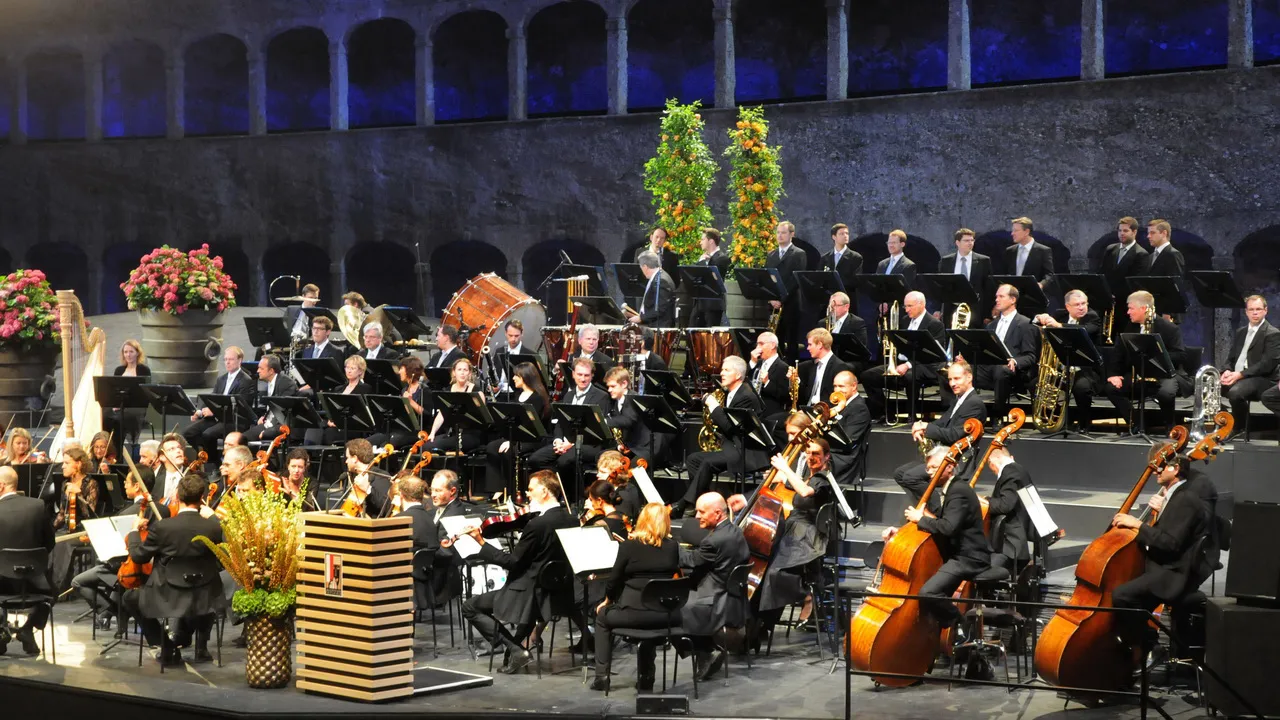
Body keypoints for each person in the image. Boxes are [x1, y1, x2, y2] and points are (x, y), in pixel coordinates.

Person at [455, 470, 578, 674]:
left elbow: (512, 562)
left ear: (545, 491)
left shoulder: (537, 525)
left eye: (531, 489)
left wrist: (480, 541)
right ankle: (515, 654)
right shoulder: (571, 519)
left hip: (526, 592)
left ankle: (515, 649)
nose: (528, 494)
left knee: (470, 607)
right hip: (554, 590)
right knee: (525, 615)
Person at [884, 447, 990, 645]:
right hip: (955, 555)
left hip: (969, 558)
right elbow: (940, 523)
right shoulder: (950, 489)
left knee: (928, 593)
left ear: (950, 467)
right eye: (928, 468)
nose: (929, 472)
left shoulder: (959, 490)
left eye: (934, 467)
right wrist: (900, 532)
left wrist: (920, 519)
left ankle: (961, 625)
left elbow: (948, 528)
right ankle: (934, 640)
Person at [122, 472, 227, 665]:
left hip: (169, 595)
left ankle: (167, 646)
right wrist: (213, 518)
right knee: (197, 600)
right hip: (205, 595)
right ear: (201, 498)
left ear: (177, 496)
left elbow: (138, 556)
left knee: (129, 597)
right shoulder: (213, 528)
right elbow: (229, 539)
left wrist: (134, 531)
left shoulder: (163, 527)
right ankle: (190, 642)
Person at [1110, 453, 1210, 655]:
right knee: (1129, 598)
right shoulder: (1174, 497)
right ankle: (1140, 647)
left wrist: (1137, 524)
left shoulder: (1185, 500)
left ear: (1175, 469)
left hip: (1172, 574)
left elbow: (1170, 543)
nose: (1157, 470)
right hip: (1160, 567)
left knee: (1122, 596)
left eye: (1163, 467)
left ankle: (1150, 643)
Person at [590, 503, 680, 692]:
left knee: (602, 617)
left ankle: (602, 677)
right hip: (665, 615)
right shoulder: (673, 547)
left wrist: (608, 601)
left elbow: (614, 580)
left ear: (642, 520)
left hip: (634, 614)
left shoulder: (629, 546)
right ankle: (647, 677)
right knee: (647, 625)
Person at [754, 438, 837, 637]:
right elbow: (797, 487)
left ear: (827, 456)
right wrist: (781, 477)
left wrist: (786, 468)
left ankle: (805, 595)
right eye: (809, 453)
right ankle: (759, 625)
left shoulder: (823, 479)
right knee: (764, 569)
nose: (811, 457)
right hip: (793, 530)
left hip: (808, 536)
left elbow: (805, 492)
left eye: (817, 453)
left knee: (775, 572)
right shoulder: (811, 476)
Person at [71, 469, 171, 633]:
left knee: (78, 581)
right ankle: (117, 610)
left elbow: (116, 547)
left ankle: (112, 610)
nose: (124, 484)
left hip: (128, 568)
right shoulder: (164, 510)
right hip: (153, 569)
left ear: (137, 486)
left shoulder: (127, 513)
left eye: (127, 482)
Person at [673, 356, 765, 518]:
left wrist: (713, 404)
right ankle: (703, 502)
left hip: (745, 451)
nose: (721, 373)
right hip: (731, 446)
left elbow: (729, 427)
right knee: (693, 459)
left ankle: (686, 503)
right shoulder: (731, 392)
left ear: (737, 375)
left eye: (726, 370)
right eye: (722, 369)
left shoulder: (746, 396)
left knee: (708, 462)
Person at [680, 492, 751, 681]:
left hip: (717, 598)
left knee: (672, 610)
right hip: (734, 596)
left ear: (718, 513)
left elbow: (691, 561)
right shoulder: (735, 531)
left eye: (701, 512)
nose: (696, 517)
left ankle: (704, 652)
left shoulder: (713, 541)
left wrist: (668, 546)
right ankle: (705, 650)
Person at [897, 360, 986, 506]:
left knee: (910, 477)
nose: (952, 383)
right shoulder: (959, 400)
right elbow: (943, 423)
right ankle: (924, 507)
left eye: (957, 378)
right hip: (944, 455)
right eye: (950, 379)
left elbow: (954, 435)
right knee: (900, 473)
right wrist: (920, 426)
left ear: (969, 377)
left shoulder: (974, 403)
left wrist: (927, 427)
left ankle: (936, 509)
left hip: (955, 460)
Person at [948, 283, 1039, 425]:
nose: (996, 300)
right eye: (996, 296)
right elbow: (983, 351)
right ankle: (954, 415)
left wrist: (1015, 361)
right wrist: (966, 359)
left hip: (1013, 372)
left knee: (1001, 370)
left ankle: (997, 416)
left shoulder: (1025, 324)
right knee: (954, 370)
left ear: (1013, 300)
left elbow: (1030, 356)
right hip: (989, 369)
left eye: (1001, 296)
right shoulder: (991, 325)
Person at [1103, 290, 1192, 431]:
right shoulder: (1130, 326)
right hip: (1139, 374)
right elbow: (1119, 353)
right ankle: (1137, 423)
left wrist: (1157, 355)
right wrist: (1113, 374)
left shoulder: (1169, 328)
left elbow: (1181, 356)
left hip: (1165, 374)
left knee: (1166, 393)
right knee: (1111, 388)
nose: (1128, 312)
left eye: (1131, 308)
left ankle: (1171, 426)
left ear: (1143, 308)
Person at [526, 358, 610, 498]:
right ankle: (554, 493)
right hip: (565, 443)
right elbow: (560, 422)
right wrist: (558, 441)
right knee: (536, 459)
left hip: (588, 444)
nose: (583, 379)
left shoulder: (602, 397)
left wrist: (571, 444)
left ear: (592, 376)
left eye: (586, 375)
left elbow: (595, 429)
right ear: (573, 374)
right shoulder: (569, 394)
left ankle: (572, 498)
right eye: (580, 374)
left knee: (564, 461)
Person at [860, 291, 946, 423]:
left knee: (910, 376)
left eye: (910, 306)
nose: (906, 310)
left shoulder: (934, 324)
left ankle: (912, 415)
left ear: (921, 304)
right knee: (867, 376)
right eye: (905, 306)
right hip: (902, 363)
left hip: (925, 366)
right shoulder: (905, 320)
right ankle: (886, 412)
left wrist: (907, 365)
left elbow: (932, 354)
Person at [0, 466, 55, 656]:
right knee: (50, 596)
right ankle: (27, 628)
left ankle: (1, 630)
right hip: (35, 582)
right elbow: (50, 543)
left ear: (1, 486)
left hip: (3, 584)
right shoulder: (38, 505)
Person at [1034, 289, 1104, 430]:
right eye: (1077, 304)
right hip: (1062, 368)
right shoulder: (1061, 314)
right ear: (1068, 307)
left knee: (1081, 388)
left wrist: (1058, 326)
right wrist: (1040, 317)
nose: (1081, 307)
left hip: (1086, 370)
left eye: (1084, 303)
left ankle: (1084, 424)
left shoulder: (1092, 317)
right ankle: (1055, 419)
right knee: (1036, 385)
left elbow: (1082, 330)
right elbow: (1035, 321)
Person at [483, 361, 551, 497]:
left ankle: (511, 490)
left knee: (509, 452)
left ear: (525, 377)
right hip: (515, 436)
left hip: (532, 438)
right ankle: (497, 487)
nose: (513, 378)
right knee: (491, 447)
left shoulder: (537, 398)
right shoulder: (517, 395)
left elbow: (529, 426)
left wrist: (511, 441)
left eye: (516, 376)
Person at [183, 346, 254, 462]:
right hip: (217, 418)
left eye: (230, 359)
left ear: (239, 360)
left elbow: (242, 407)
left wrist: (215, 411)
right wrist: (200, 412)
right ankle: (205, 456)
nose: (227, 362)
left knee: (208, 434)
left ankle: (213, 463)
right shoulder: (222, 379)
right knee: (188, 433)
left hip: (234, 420)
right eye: (225, 359)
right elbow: (212, 399)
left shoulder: (246, 381)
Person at [1220, 295, 1280, 428]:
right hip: (1240, 376)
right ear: (1246, 312)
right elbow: (1231, 358)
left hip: (1262, 379)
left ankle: (1239, 426)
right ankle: (1224, 420)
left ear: (1266, 310)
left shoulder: (1273, 333)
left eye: (1258, 309)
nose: (1255, 312)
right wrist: (1226, 371)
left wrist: (1240, 374)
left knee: (1235, 392)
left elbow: (1267, 364)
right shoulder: (1241, 332)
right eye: (1251, 309)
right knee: (1207, 387)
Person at [982, 447, 1032, 571]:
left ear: (993, 461)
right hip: (1012, 542)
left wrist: (983, 501)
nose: (993, 470)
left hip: (1010, 545)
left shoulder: (1011, 471)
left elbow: (1005, 504)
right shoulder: (1017, 469)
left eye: (991, 465)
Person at [423, 357, 486, 455]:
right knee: (426, 446)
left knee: (432, 447)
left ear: (469, 373)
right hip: (452, 433)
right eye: (459, 370)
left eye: (465, 370)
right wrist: (432, 433)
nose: (462, 373)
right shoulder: (448, 390)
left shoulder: (476, 391)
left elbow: (481, 416)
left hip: (470, 434)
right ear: (454, 373)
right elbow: (441, 415)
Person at [765, 221, 808, 357]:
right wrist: (771, 298)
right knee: (775, 339)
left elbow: (795, 279)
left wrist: (781, 299)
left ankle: (790, 372)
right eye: (778, 232)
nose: (780, 235)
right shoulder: (771, 255)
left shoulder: (798, 254)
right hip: (774, 305)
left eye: (783, 232)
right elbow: (767, 278)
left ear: (792, 234)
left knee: (791, 341)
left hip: (791, 303)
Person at [369, 356, 428, 450]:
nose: (399, 372)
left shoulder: (424, 389)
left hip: (415, 431)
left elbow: (427, 415)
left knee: (386, 446)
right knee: (369, 443)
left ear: (409, 370)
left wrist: (410, 402)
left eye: (401, 369)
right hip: (401, 429)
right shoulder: (404, 389)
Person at [102, 339, 152, 449]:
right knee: (104, 417)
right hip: (119, 406)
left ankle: (117, 451)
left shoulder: (144, 370)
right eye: (125, 352)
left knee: (119, 420)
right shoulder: (119, 370)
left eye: (131, 352)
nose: (128, 355)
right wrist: (115, 404)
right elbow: (114, 391)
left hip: (136, 407)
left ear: (137, 353)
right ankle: (108, 449)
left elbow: (144, 394)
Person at [827, 370, 871, 496]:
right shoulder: (839, 405)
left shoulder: (859, 408)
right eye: (835, 386)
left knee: (813, 457)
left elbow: (848, 440)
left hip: (847, 457)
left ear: (854, 386)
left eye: (841, 386)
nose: (837, 390)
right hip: (835, 451)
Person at [242, 355, 298, 444]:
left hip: (279, 426)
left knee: (241, 439)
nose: (257, 371)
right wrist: (265, 417)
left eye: (261, 368)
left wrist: (269, 430)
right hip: (268, 423)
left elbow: (284, 412)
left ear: (271, 371)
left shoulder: (286, 384)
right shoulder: (272, 382)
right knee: (240, 438)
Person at [1099, 217, 1149, 316]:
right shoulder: (1110, 249)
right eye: (1120, 230)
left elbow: (1136, 282)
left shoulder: (1141, 254)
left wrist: (1116, 295)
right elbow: (1102, 273)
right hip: (1107, 303)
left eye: (1125, 231)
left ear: (1134, 232)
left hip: (1126, 305)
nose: (1122, 233)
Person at [798, 328, 853, 410]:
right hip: (807, 408)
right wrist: (796, 381)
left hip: (826, 411)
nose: (807, 348)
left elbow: (839, 398)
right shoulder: (808, 366)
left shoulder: (839, 367)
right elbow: (804, 394)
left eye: (810, 345)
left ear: (820, 345)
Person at [339, 438, 392, 518]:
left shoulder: (380, 476)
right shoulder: (356, 475)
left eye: (347, 458)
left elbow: (387, 507)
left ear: (355, 459)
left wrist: (368, 489)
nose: (346, 461)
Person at [690, 228, 732, 327]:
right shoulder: (703, 258)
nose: (700, 242)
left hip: (712, 306)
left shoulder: (722, 258)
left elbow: (710, 277)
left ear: (711, 241)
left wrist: (701, 263)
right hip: (699, 304)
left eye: (703, 239)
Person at [748, 331, 792, 423]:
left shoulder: (783, 367)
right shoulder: (757, 363)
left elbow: (785, 396)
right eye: (757, 345)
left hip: (770, 415)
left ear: (772, 345)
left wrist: (767, 382)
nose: (757, 348)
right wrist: (752, 362)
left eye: (761, 344)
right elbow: (745, 380)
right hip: (753, 412)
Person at [630, 251, 676, 327]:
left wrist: (641, 318)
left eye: (641, 267)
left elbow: (660, 308)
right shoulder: (658, 276)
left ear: (645, 267)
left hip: (659, 327)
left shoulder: (661, 280)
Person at [595, 450, 643, 522]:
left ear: (616, 473)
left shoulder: (623, 495)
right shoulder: (615, 489)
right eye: (598, 471)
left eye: (603, 472)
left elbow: (618, 523)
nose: (597, 475)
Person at [1005, 216, 1053, 285]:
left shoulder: (1043, 251)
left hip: (1033, 293)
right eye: (1013, 230)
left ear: (1026, 232)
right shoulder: (1010, 251)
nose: (1012, 233)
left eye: (1016, 230)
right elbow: (1006, 273)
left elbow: (1049, 275)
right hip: (1013, 293)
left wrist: (1041, 284)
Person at [821, 223, 864, 294]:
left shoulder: (855, 257)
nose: (845, 236)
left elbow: (856, 280)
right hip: (829, 298)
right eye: (841, 234)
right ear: (834, 237)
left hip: (847, 297)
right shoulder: (825, 258)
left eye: (847, 233)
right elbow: (820, 278)